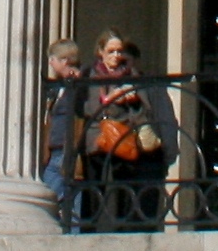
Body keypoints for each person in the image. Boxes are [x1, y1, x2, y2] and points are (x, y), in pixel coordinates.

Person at [77, 35, 176, 232]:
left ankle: (123, 228)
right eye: (111, 51)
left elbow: (150, 114)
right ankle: (88, 229)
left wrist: (131, 101)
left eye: (119, 52)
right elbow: (83, 107)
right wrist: (110, 103)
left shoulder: (135, 78)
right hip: (96, 140)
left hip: (125, 140)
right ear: (101, 52)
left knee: (126, 190)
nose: (117, 56)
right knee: (94, 189)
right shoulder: (89, 75)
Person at [37, 41, 89, 227]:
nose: (50, 63)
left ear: (65, 60)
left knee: (51, 195)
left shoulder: (78, 84)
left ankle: (70, 232)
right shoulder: (59, 87)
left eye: (53, 59)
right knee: (68, 197)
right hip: (56, 148)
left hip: (66, 148)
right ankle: (71, 232)